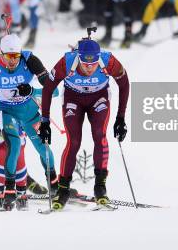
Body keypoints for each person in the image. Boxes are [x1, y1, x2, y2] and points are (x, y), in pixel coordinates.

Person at [0, 34, 57, 211]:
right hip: (6, 111)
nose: (13, 61)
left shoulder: (29, 60)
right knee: (14, 144)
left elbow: (53, 92)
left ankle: (53, 183)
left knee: (42, 147)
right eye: (9, 56)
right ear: (1, 54)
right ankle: (9, 189)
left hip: (28, 110)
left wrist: (31, 90)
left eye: (16, 56)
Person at [40, 37, 129, 209]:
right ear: (78, 57)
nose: (89, 68)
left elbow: (124, 84)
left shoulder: (108, 60)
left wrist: (121, 118)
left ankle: (100, 188)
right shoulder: (67, 61)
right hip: (73, 98)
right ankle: (63, 190)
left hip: (99, 97)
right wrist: (45, 121)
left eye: (93, 64)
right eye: (85, 64)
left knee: (99, 136)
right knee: (73, 142)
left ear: (98, 58)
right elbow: (48, 88)